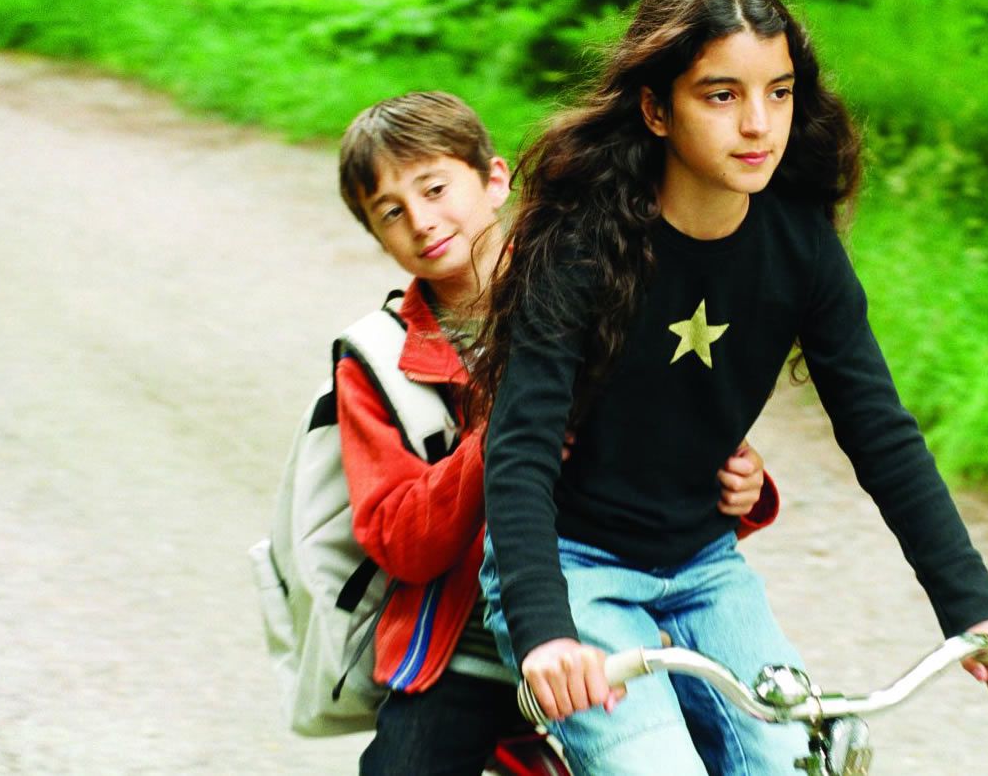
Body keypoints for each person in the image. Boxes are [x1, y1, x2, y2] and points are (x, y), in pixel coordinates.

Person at [467, 0, 988, 776]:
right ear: (655, 109)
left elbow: (881, 432)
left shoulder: (798, 243)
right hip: (574, 567)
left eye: (778, 92)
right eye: (720, 95)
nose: (757, 125)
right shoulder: (581, 245)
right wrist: (545, 631)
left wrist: (975, 613)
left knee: (790, 758)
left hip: (704, 566)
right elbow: (519, 448)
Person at [332, 90, 781, 776]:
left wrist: (741, 485)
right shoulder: (376, 360)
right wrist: (502, 440)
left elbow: (680, 431)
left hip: (613, 616)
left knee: (761, 742)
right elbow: (399, 540)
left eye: (435, 188)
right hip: (465, 647)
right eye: (390, 212)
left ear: (494, 180)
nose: (421, 220)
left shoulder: (602, 284)